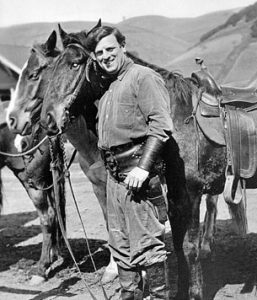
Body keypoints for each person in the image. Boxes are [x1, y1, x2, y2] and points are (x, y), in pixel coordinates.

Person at [92, 25, 173, 300]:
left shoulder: (143, 77)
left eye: (110, 49)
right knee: (120, 247)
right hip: (114, 181)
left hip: (138, 178)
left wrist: (143, 167)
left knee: (148, 246)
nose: (105, 56)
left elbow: (161, 125)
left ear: (123, 47)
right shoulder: (108, 88)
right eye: (99, 52)